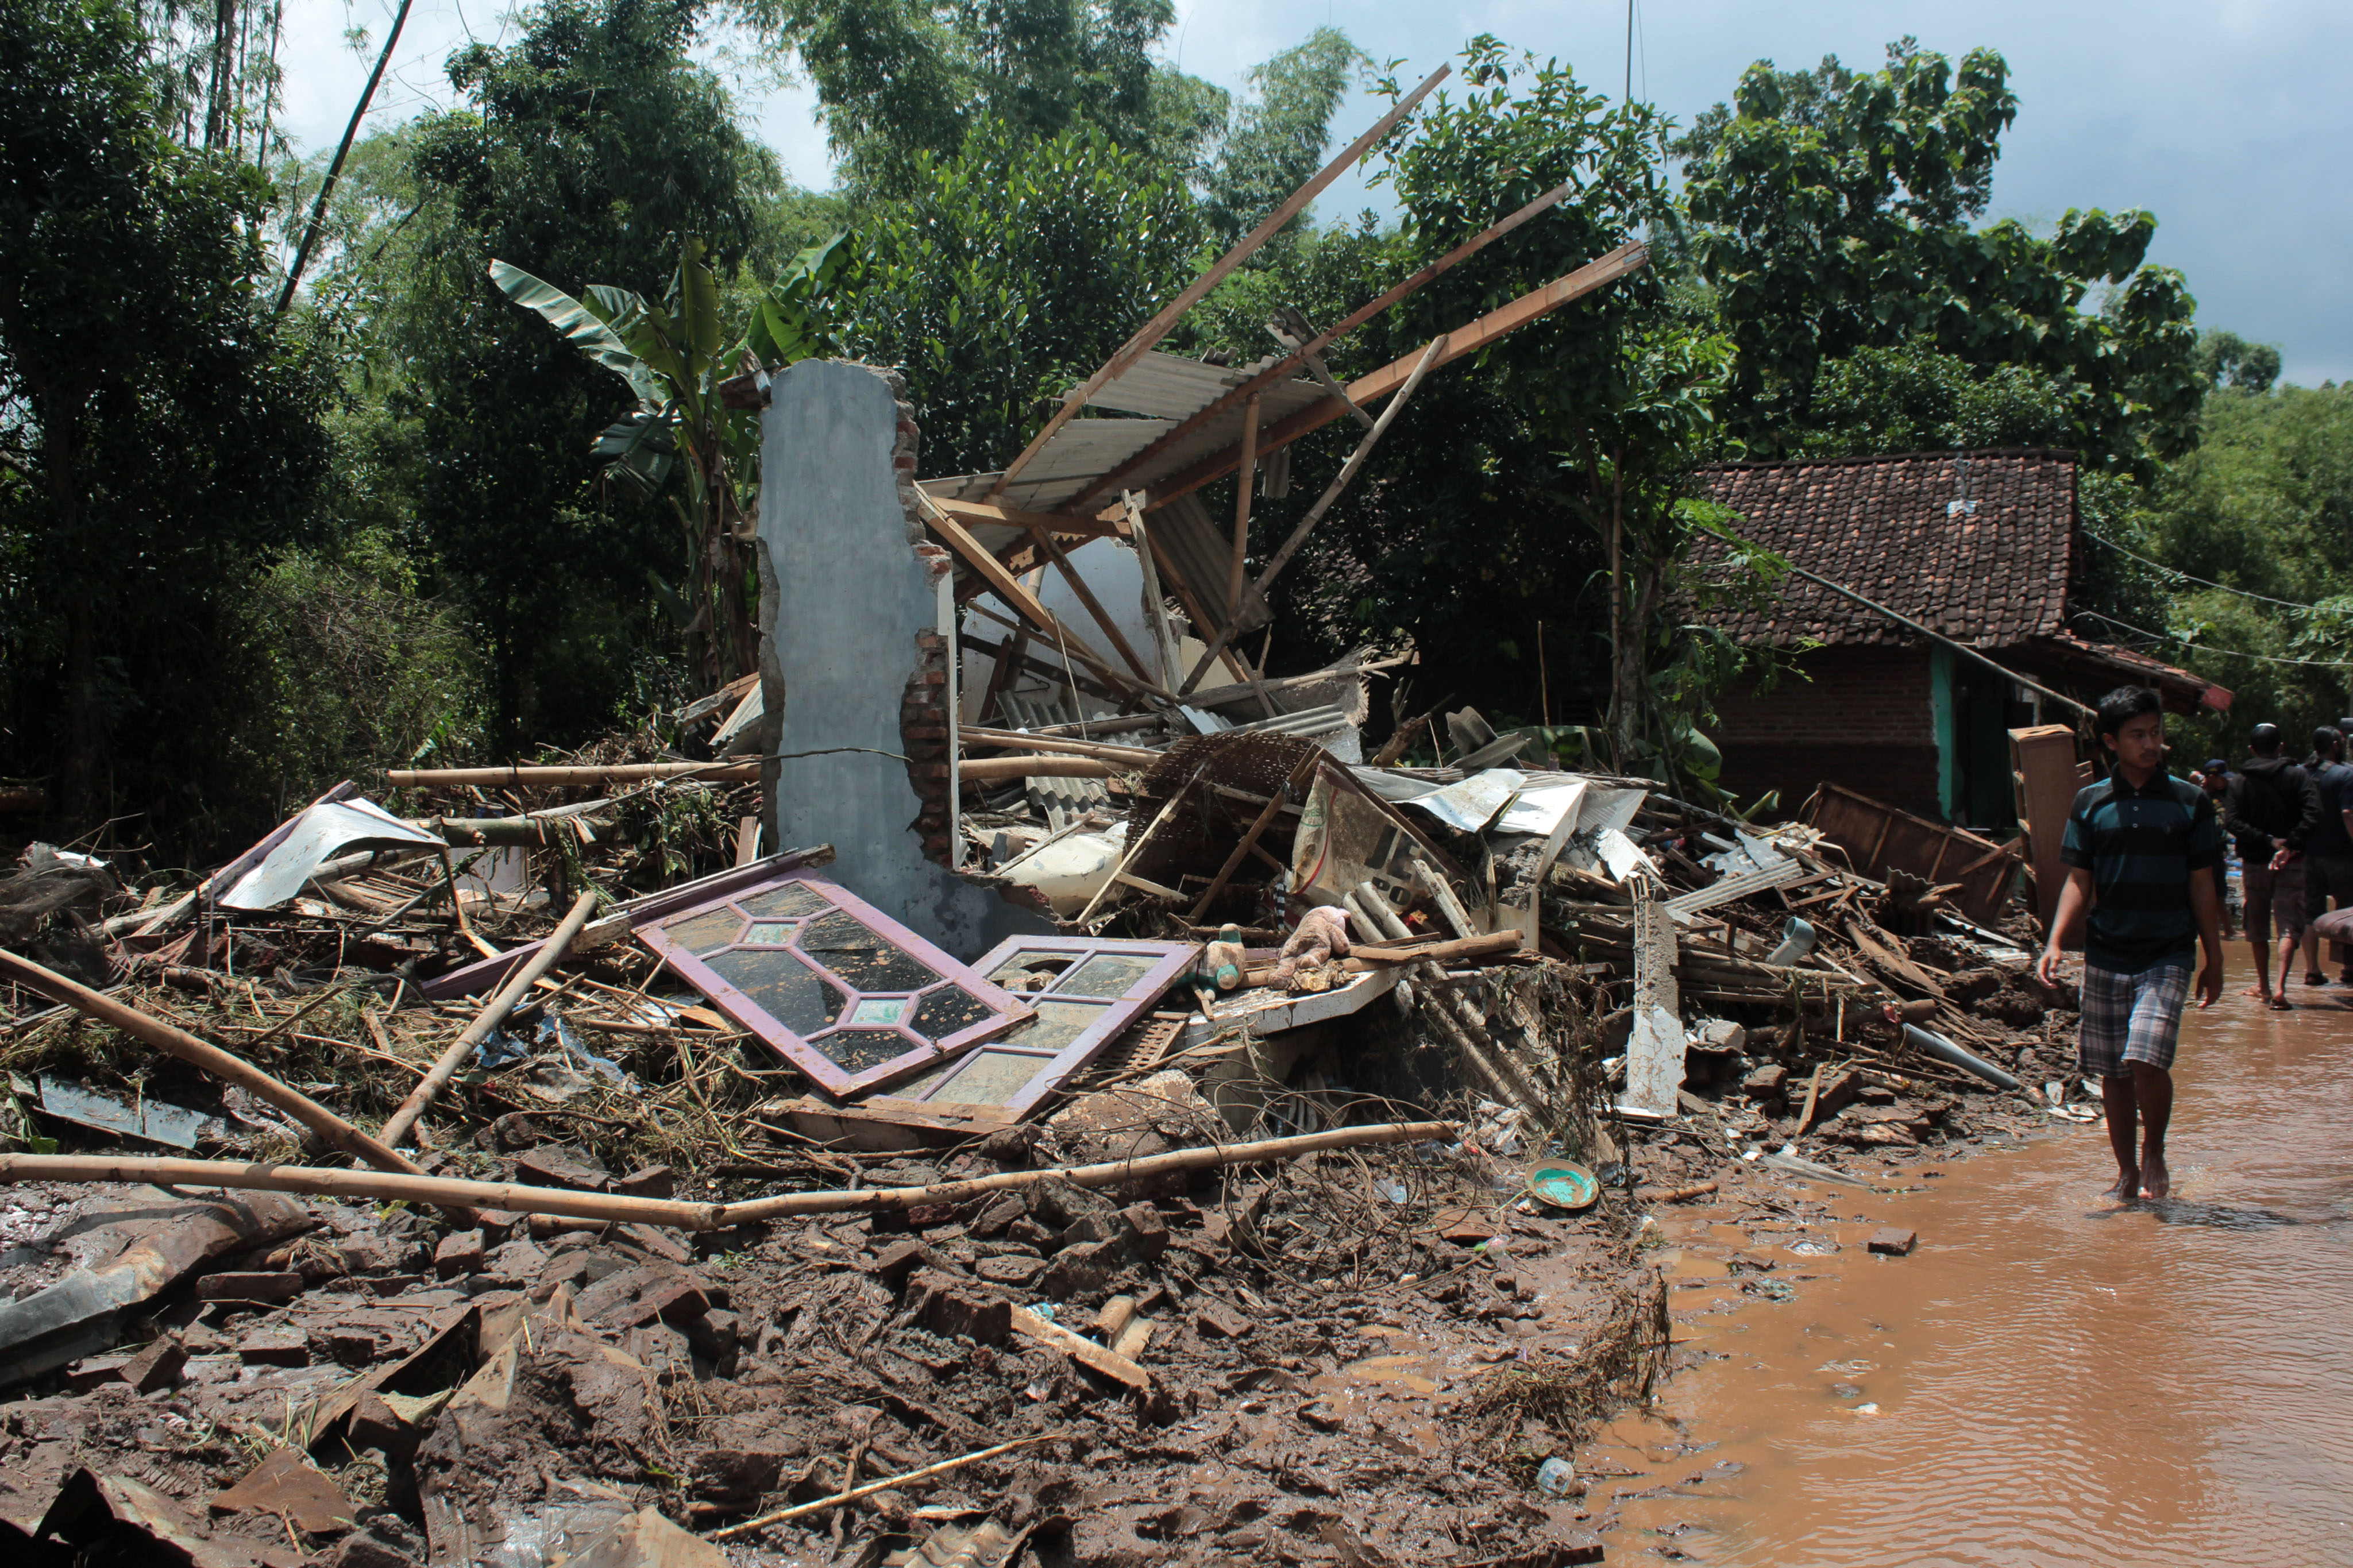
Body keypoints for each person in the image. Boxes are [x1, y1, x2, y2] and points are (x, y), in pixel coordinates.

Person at [2038, 686, 2224, 1203]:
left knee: (2146, 1057)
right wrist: (2055, 942)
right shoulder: (2091, 802)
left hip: (2168, 950)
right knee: (2113, 1071)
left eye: (2156, 733)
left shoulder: (2190, 802)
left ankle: (2155, 1150)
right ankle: (2125, 1172)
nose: (2151, 744)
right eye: (2138, 735)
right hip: (2106, 951)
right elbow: (2079, 880)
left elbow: (2203, 883)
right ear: (2111, 742)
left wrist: (2214, 957)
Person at [2221, 723, 2319, 1008]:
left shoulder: (2239, 782)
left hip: (2254, 862)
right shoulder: (2298, 776)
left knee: (2258, 925)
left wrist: (2266, 840)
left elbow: (2232, 822)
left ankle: (2263, 986)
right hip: (2293, 861)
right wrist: (2289, 845)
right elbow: (2314, 814)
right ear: (2281, 747)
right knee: (2289, 923)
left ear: (2251, 749)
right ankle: (2280, 987)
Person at [2301, 725, 2353, 986]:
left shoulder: (2301, 773)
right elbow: (2348, 814)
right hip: (2342, 856)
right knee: (2347, 911)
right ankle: (2348, 969)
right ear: (2335, 744)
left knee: (2311, 912)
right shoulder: (2345, 774)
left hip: (2308, 855)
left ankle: (2312, 970)